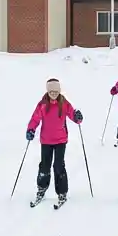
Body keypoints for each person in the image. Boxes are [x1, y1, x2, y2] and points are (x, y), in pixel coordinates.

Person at [26, 78, 84, 207]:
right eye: (51, 91)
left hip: (60, 140)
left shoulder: (63, 103)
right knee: (44, 166)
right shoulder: (42, 104)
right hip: (46, 140)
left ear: (59, 91)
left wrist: (77, 117)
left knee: (58, 166)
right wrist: (31, 129)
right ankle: (41, 189)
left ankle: (62, 192)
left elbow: (72, 114)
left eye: (56, 91)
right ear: (47, 91)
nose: (53, 93)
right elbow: (35, 118)